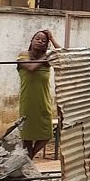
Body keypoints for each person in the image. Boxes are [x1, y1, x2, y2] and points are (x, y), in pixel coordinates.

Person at [17, 30, 60, 159]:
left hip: (43, 102)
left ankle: (29, 158)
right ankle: (27, 161)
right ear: (31, 41)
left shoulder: (47, 59)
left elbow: (62, 54)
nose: (40, 42)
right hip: (27, 102)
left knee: (47, 135)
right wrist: (47, 55)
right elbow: (31, 67)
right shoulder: (24, 55)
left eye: (44, 41)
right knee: (27, 137)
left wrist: (52, 38)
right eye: (37, 39)